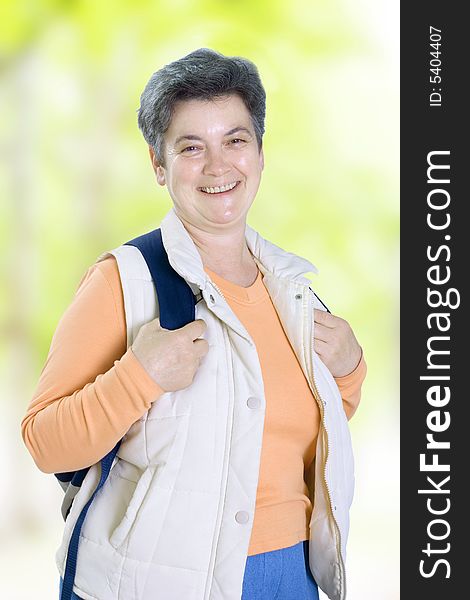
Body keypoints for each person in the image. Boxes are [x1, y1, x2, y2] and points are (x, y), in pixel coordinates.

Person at [21, 48, 367, 600]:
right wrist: (138, 375)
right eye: (190, 147)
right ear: (158, 166)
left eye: (235, 140)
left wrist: (348, 373)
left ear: (259, 153)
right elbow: (44, 443)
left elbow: (273, 426)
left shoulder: (295, 290)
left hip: (294, 578)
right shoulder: (125, 282)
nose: (218, 165)